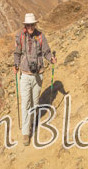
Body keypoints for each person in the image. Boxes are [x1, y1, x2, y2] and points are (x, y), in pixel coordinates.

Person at [13, 13, 56, 146]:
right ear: (25, 25)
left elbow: (46, 51)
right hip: (25, 74)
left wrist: (51, 59)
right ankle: (26, 132)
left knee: (35, 103)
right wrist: (16, 65)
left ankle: (31, 123)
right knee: (26, 103)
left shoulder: (41, 36)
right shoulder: (20, 37)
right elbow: (17, 53)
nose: (30, 27)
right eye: (28, 25)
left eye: (32, 24)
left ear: (35, 24)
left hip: (38, 74)